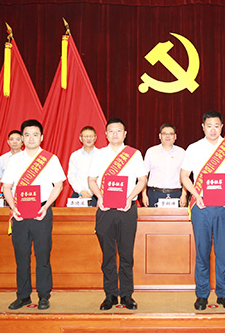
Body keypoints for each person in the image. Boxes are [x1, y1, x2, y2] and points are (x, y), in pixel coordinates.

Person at [181, 111, 225, 311]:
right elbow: (184, 176)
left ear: (222, 127)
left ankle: (224, 294)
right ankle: (202, 294)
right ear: (203, 127)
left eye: (217, 126)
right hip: (201, 206)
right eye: (209, 126)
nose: (213, 130)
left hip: (224, 206)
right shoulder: (193, 148)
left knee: (223, 252)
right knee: (202, 252)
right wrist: (195, 195)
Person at [2, 119, 66, 311]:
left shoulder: (50, 159)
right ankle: (23, 296)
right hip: (20, 213)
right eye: (27, 135)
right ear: (22, 138)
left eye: (35, 134)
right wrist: (13, 208)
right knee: (21, 257)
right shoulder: (14, 160)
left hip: (41, 212)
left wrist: (46, 206)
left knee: (42, 256)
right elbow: (6, 187)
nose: (31, 138)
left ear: (42, 137)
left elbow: (58, 185)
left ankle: (44, 296)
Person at [88, 118, 147, 310]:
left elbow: (142, 180)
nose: (115, 134)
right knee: (108, 254)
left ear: (125, 134)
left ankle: (127, 294)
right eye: (111, 131)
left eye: (118, 131)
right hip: (105, 209)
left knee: (126, 253)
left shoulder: (134, 154)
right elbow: (91, 180)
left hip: (127, 209)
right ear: (105, 134)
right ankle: (110, 294)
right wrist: (100, 197)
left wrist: (130, 197)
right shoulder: (99, 154)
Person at [142, 123, 187, 207]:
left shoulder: (182, 152)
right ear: (160, 136)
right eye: (164, 134)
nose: (167, 136)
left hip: (176, 194)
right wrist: (144, 195)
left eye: (171, 134)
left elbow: (185, 176)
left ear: (175, 136)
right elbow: (144, 175)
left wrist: (184, 195)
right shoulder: (151, 152)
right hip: (155, 194)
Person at [68, 126, 99, 206]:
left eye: (91, 136)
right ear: (80, 138)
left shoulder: (101, 155)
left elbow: (102, 176)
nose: (88, 139)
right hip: (78, 194)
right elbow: (71, 176)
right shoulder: (75, 155)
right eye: (85, 136)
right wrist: (81, 191)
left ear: (95, 138)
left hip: (97, 195)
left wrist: (91, 191)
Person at [0, 130, 23, 198]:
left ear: (22, 142)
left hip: (23, 194)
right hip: (6, 195)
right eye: (12, 139)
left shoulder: (27, 157)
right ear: (8, 142)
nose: (15, 142)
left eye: (18, 139)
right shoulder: (2, 159)